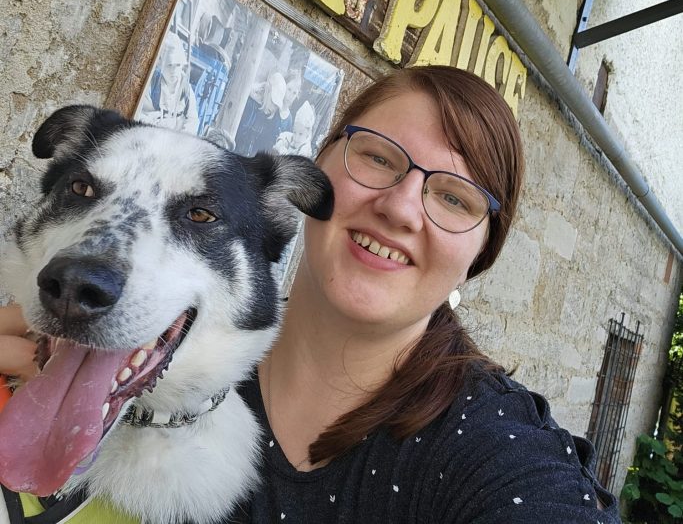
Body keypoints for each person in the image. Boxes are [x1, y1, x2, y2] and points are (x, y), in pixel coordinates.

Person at [1, 67, 621, 522]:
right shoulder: (187, 361)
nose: (402, 208)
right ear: (317, 178)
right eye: (378, 159)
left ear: (478, 256)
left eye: (453, 198)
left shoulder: (488, 449)